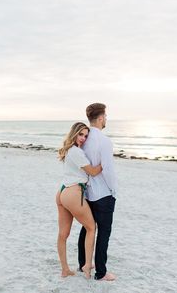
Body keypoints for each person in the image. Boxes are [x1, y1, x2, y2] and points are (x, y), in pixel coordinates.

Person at [56, 122, 102, 279]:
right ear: (74, 133)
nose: (83, 138)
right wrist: (106, 161)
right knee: (91, 227)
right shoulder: (76, 152)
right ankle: (87, 266)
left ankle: (65, 270)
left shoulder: (70, 150)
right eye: (80, 134)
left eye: (86, 136)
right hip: (74, 193)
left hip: (63, 191)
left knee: (63, 234)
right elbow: (94, 172)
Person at [78, 103, 118, 281]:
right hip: (103, 194)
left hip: (87, 193)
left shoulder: (83, 139)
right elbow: (108, 170)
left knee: (87, 228)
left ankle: (83, 264)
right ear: (101, 118)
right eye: (106, 116)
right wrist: (113, 190)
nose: (106, 119)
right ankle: (101, 272)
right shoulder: (104, 141)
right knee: (104, 232)